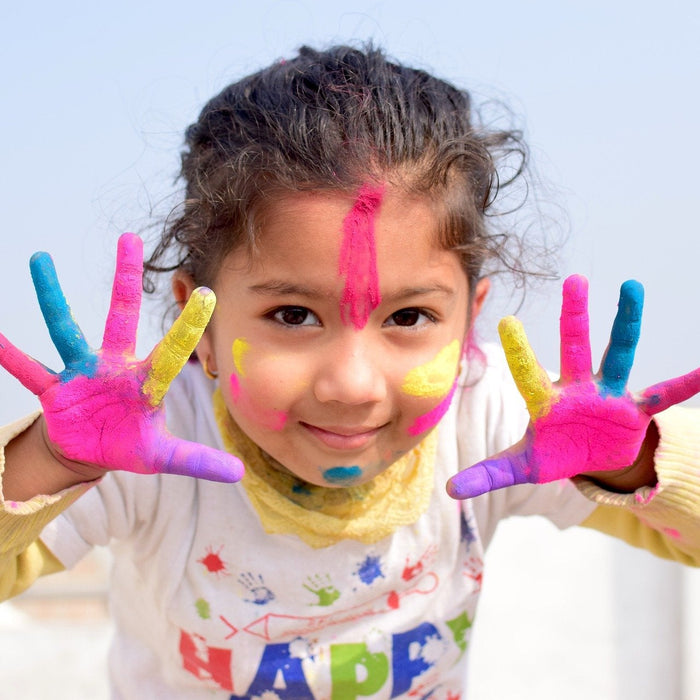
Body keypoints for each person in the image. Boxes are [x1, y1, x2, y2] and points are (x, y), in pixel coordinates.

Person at [0, 44, 699, 698]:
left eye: (410, 318)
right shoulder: (144, 443)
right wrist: (52, 460)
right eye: (294, 316)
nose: (353, 384)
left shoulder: (490, 419)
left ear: (468, 323)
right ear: (201, 324)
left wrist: (633, 463)